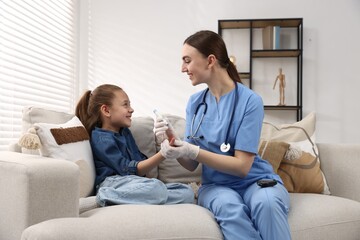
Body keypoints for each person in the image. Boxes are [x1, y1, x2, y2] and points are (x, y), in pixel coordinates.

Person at [154, 30, 291, 240]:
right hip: (217, 186)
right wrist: (170, 141)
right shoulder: (195, 103)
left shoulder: (249, 101)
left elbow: (242, 167)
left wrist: (193, 150)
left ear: (210, 60)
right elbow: (191, 164)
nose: (183, 68)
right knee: (230, 208)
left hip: (256, 180)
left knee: (268, 204)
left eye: (187, 61)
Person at [76, 84, 194, 207]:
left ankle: (142, 197)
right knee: (156, 188)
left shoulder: (125, 132)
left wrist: (163, 142)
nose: (131, 109)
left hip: (134, 183)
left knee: (187, 192)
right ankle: (103, 196)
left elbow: (140, 165)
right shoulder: (100, 138)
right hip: (113, 183)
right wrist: (163, 153)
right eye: (125, 104)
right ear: (106, 110)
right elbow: (127, 169)